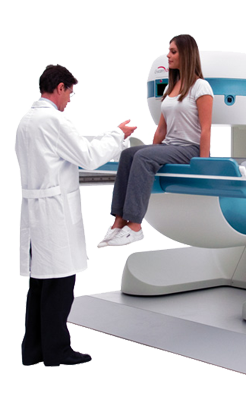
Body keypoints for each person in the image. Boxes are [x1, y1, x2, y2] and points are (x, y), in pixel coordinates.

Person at [15, 64, 137, 367]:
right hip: (53, 213)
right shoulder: (53, 121)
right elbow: (89, 156)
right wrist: (118, 134)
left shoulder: (27, 120)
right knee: (59, 286)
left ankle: (34, 350)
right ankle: (57, 351)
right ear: (59, 88)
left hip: (36, 211)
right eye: (70, 93)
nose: (70, 99)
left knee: (39, 285)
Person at [100, 34, 213, 247]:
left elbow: (206, 129)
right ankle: (118, 221)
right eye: (168, 51)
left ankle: (135, 226)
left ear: (186, 54)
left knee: (143, 157)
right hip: (171, 146)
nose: (168, 55)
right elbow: (161, 129)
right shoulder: (172, 87)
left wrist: (203, 166)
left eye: (173, 51)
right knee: (128, 154)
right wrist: (152, 152)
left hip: (190, 149)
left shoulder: (201, 87)